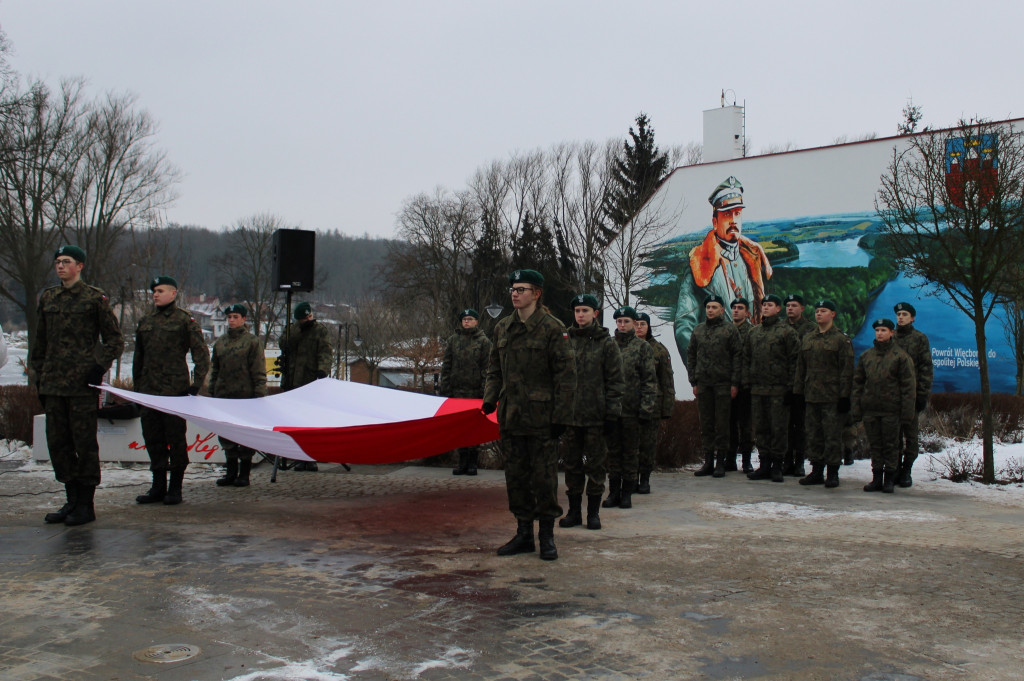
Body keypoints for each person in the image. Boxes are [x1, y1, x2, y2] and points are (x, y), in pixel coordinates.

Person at [483, 269, 576, 561]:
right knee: (516, 478)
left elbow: (566, 377)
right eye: (513, 289)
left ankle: (546, 536)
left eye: (521, 289)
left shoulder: (553, 328)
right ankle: (523, 534)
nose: (515, 293)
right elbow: (494, 369)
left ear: (536, 293)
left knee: (544, 480)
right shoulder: (503, 328)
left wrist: (561, 417)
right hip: (512, 417)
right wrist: (489, 400)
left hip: (542, 419)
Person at [31, 245, 124, 526]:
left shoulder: (94, 298)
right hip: (53, 384)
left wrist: (99, 367)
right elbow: (40, 342)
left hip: (82, 385)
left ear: (80, 266)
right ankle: (71, 500)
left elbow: (114, 340)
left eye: (66, 261)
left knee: (84, 445)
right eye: (57, 261)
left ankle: (85, 504)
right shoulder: (49, 297)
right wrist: (38, 376)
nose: (60, 266)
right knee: (58, 444)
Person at [674, 176, 773, 359]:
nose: (733, 220)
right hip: (720, 366)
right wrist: (700, 367)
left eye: (737, 214)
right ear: (715, 222)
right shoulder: (701, 264)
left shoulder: (752, 258)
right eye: (727, 214)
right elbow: (683, 325)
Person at [133, 275, 210, 506]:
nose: (155, 295)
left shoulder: (184, 320)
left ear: (173, 293)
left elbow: (201, 354)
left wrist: (196, 384)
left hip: (175, 391)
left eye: (160, 291)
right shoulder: (146, 321)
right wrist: (137, 390)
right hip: (149, 391)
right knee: (152, 439)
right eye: (154, 291)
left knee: (176, 440)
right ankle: (158, 486)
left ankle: (175, 487)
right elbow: (139, 358)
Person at [560, 294, 623, 530]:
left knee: (596, 466)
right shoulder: (565, 340)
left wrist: (612, 414)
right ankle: (574, 512)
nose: (580, 315)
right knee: (572, 466)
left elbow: (615, 381)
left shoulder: (606, 343)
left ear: (595, 313)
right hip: (571, 416)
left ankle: (593, 513)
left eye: (585, 310)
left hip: (596, 416)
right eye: (577, 311)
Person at [793, 299, 854, 489]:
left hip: (832, 397)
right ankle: (817, 470)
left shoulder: (841, 340)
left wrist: (844, 396)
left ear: (833, 314)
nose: (819, 314)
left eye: (823, 310)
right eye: (817, 311)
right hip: (811, 396)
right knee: (813, 435)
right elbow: (801, 368)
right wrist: (798, 393)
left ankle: (833, 472)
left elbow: (846, 370)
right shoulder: (808, 338)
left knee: (832, 436)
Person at [853, 318, 916, 493]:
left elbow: (908, 387)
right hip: (871, 409)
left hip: (891, 410)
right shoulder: (867, 356)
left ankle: (889, 478)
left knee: (891, 446)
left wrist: (907, 413)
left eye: (883, 330)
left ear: (891, 333)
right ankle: (876, 478)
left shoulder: (900, 357)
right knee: (875, 445)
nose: (880, 333)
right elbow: (858, 384)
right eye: (877, 330)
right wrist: (856, 408)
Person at [603, 306, 656, 510]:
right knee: (613, 452)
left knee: (630, 453)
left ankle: (627, 493)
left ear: (634, 323)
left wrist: (646, 408)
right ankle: (613, 492)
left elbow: (649, 380)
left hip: (632, 409)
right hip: (612, 409)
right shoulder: (609, 345)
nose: (622, 325)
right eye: (619, 321)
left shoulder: (642, 347)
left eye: (626, 321)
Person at [209, 304, 267, 488]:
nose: (232, 320)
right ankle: (231, 472)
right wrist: (212, 390)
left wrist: (259, 394)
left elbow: (258, 369)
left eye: (235, 317)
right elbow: (215, 369)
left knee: (245, 436)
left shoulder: (252, 342)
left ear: (243, 319)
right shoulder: (220, 342)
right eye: (229, 317)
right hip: (224, 396)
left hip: (245, 397)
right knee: (227, 436)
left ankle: (244, 474)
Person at [744, 294, 800, 483]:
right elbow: (746, 358)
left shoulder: (787, 332)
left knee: (779, 429)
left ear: (778, 309)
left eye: (770, 305)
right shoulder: (754, 333)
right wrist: (747, 383)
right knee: (761, 428)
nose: (766, 308)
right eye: (764, 305)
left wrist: (791, 388)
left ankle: (777, 465)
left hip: (779, 390)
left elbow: (795, 361)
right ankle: (764, 464)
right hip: (758, 390)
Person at [687, 295, 742, 478]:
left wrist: (734, 383)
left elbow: (737, 356)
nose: (710, 310)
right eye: (708, 307)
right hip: (704, 384)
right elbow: (691, 355)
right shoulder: (698, 330)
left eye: (714, 307)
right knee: (707, 424)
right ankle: (708, 462)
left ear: (722, 310)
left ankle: (721, 463)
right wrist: (693, 381)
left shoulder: (730, 330)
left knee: (722, 424)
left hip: (723, 384)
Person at [279, 301, 334, 471]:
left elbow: (325, 352)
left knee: (309, 421)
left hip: (310, 380)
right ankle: (298, 457)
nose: (308, 320)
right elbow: (283, 345)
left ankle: (310, 458)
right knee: (293, 421)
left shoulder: (320, 331)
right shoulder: (292, 330)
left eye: (309, 317)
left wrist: (322, 370)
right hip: (292, 380)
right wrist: (297, 331)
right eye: (304, 319)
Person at [440, 308, 492, 475]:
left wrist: (484, 390)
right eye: (464, 319)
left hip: (475, 392)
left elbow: (487, 368)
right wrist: (445, 388)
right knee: (459, 428)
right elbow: (447, 365)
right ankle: (462, 461)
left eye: (470, 319)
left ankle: (472, 463)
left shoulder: (484, 342)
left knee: (474, 428)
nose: (467, 322)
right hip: (457, 392)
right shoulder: (453, 340)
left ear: (476, 322)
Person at [893, 302, 933, 487]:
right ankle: (894, 470)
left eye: (905, 314)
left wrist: (922, 395)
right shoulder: (890, 337)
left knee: (911, 437)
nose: (901, 317)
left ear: (912, 318)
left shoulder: (919, 338)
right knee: (893, 437)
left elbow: (926, 368)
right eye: (899, 314)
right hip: (891, 396)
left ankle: (906, 470)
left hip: (911, 396)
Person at [635, 312, 675, 494]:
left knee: (647, 444)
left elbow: (667, 381)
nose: (639, 327)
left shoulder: (659, 350)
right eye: (636, 324)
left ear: (648, 326)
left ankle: (644, 479)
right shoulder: (623, 347)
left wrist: (667, 408)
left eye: (643, 324)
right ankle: (630, 479)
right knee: (629, 444)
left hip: (652, 405)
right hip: (629, 404)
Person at [782, 293, 815, 476]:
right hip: (783, 384)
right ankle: (786, 461)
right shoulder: (780, 327)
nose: (790, 308)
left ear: (802, 308)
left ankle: (800, 462)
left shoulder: (811, 329)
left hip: (803, 384)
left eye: (794, 305)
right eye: (788, 305)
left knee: (800, 425)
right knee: (785, 425)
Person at [728, 297, 755, 473]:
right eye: (734, 308)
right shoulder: (725, 331)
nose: (736, 310)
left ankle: (746, 461)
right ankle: (730, 460)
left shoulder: (752, 332)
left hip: (746, 386)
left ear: (747, 312)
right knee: (729, 424)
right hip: (727, 384)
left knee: (746, 425)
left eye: (740, 308)